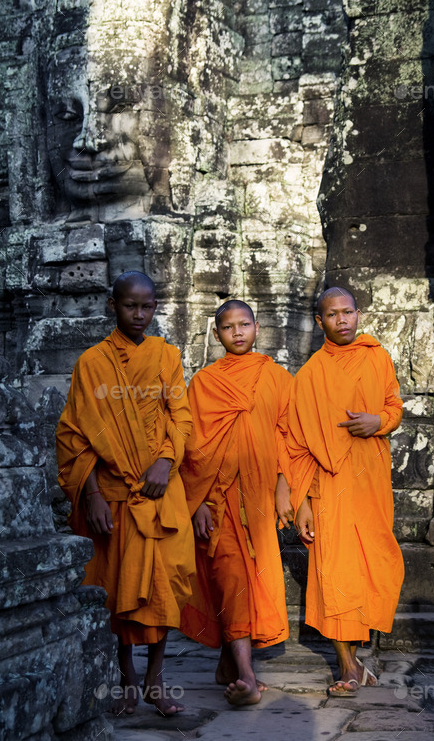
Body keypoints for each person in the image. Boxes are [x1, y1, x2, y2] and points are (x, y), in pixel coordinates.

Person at [56, 271, 195, 717]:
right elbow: (74, 436)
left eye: (148, 306)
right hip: (113, 494)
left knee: (165, 585)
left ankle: (156, 678)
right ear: (112, 305)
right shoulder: (91, 364)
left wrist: (166, 460)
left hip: (161, 489)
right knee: (117, 586)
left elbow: (182, 417)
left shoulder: (166, 355)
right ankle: (127, 678)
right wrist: (91, 494)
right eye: (131, 305)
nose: (140, 314)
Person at [288, 286, 404, 696]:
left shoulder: (378, 356)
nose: (342, 320)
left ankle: (358, 656)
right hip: (329, 486)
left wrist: (379, 421)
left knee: (375, 563)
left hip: (370, 482)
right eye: (333, 315)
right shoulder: (309, 375)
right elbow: (295, 445)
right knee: (333, 571)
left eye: (348, 312)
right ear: (319, 321)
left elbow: (395, 406)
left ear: (358, 314)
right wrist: (300, 504)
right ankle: (347, 665)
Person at [179, 299, 294, 706]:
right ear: (216, 335)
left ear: (258, 327)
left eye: (245, 324)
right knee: (230, 575)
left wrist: (284, 487)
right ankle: (247, 675)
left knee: (253, 575)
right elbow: (191, 450)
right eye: (229, 327)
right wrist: (194, 504)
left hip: (259, 497)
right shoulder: (204, 383)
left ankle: (231, 659)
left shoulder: (276, 377)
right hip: (216, 499)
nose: (238, 332)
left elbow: (287, 436)